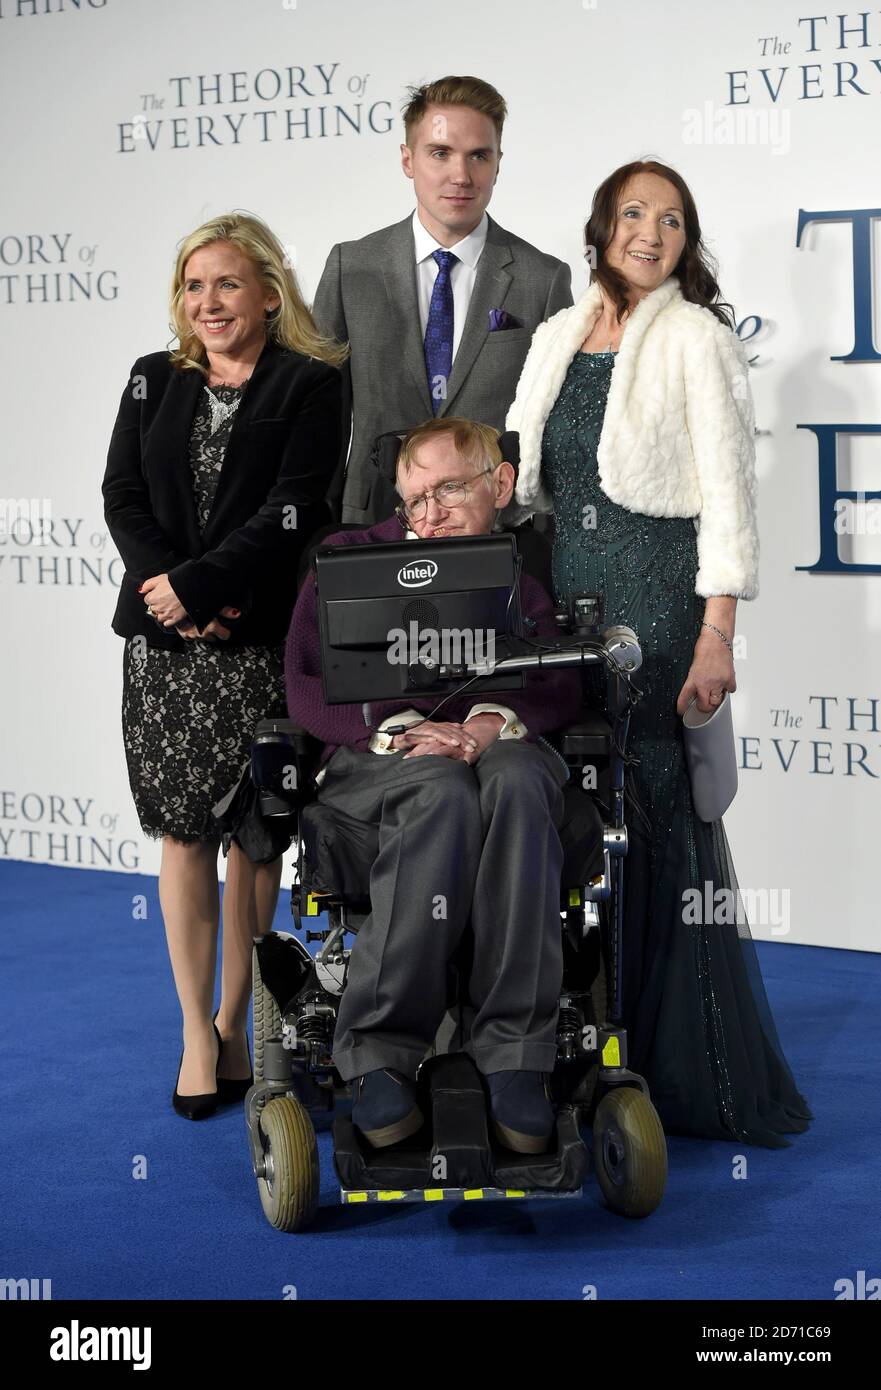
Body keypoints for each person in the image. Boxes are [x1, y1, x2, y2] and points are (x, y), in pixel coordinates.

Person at [505, 160, 812, 1147]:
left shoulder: (694, 336)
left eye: (670, 219)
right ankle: (588, 1042)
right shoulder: (555, 336)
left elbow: (728, 498)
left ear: (685, 242)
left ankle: (689, 1073)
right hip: (568, 606)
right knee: (578, 812)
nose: (648, 231)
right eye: (632, 213)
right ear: (598, 225)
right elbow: (532, 488)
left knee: (654, 812)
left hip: (657, 604)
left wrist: (717, 632)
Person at [284, 417, 585, 1153]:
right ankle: (380, 1052)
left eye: (449, 488)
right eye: (413, 498)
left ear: (499, 484)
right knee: (437, 790)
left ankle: (515, 1055)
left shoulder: (519, 571)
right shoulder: (347, 559)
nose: (430, 513)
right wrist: (400, 733)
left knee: (515, 781)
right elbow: (303, 685)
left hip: (497, 745)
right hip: (379, 754)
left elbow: (562, 677)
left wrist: (485, 726)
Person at [102, 213, 344, 1120]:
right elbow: (122, 494)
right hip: (166, 648)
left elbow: (294, 508)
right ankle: (194, 1033)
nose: (208, 302)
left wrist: (204, 588)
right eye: (194, 286)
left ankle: (241, 1022)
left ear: (270, 294)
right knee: (182, 835)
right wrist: (171, 590)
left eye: (228, 284)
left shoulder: (312, 385)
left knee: (254, 839)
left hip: (256, 638)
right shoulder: (150, 380)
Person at [312, 74, 573, 526]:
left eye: (479, 156)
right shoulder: (349, 269)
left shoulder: (542, 278)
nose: (461, 175)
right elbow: (319, 420)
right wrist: (320, 529)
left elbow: (556, 433)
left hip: (499, 530)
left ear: (498, 163)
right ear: (408, 160)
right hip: (373, 522)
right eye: (440, 153)